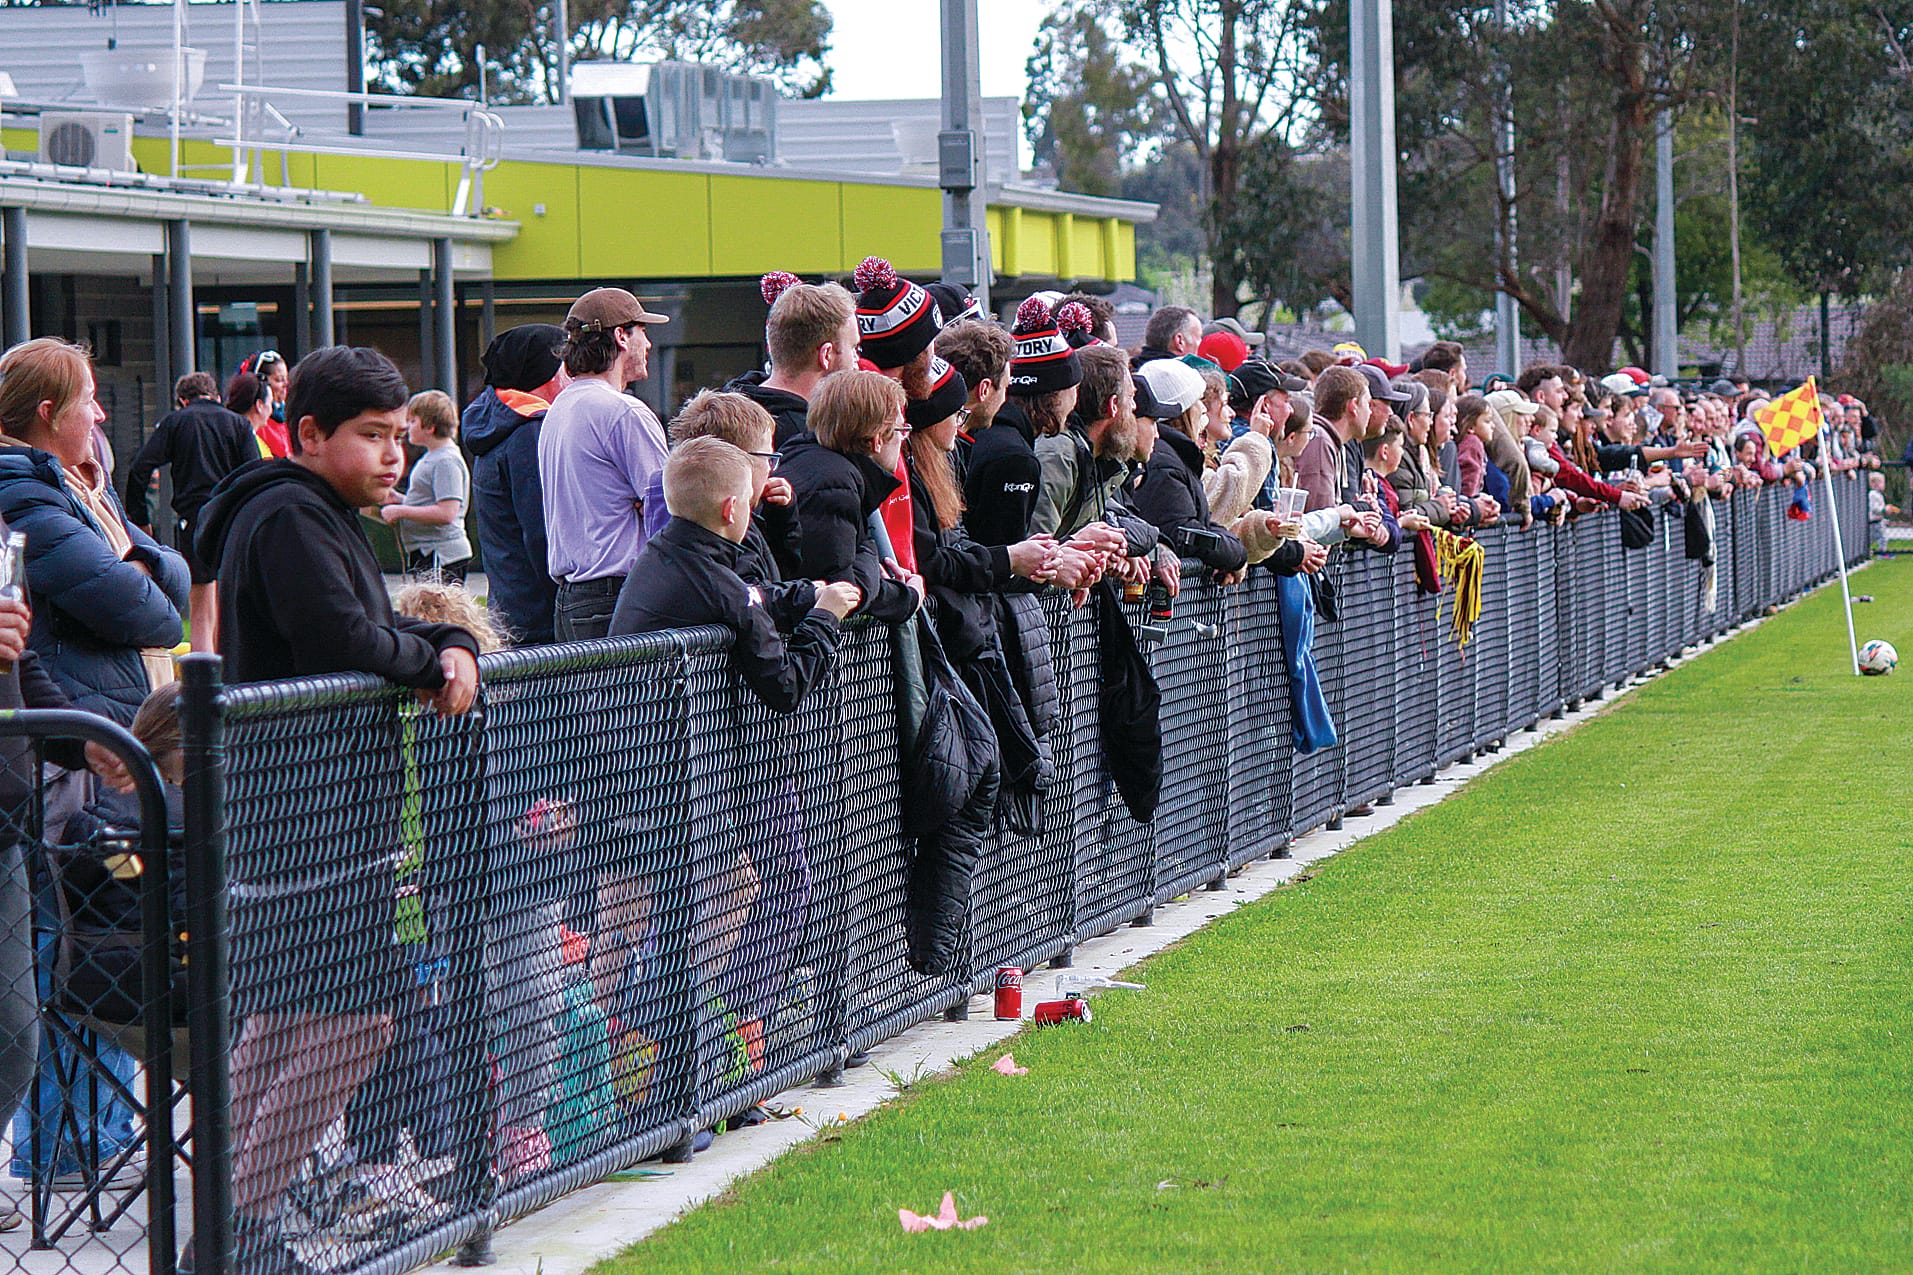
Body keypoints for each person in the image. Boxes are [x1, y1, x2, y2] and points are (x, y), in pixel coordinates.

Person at [193, 344, 479, 1271]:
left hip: (312, 813)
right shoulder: (288, 513)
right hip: (307, 818)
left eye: (399, 436)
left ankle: (225, 1227)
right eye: (372, 436)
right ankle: (238, 1224)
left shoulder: (308, 509)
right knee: (357, 1023)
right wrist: (432, 659)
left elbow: (375, 624)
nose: (393, 456)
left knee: (284, 1024)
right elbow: (340, 636)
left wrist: (445, 638)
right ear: (309, 433)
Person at [539, 287, 672, 640]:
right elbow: (667, 507)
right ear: (621, 336)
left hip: (571, 598)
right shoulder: (624, 411)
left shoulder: (559, 408)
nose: (649, 344)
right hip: (616, 595)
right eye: (643, 331)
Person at [122, 372, 258, 652]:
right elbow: (253, 473)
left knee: (201, 606)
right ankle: (230, 667)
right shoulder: (239, 424)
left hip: (195, 516)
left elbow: (140, 469)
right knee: (229, 599)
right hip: (232, 516)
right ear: (216, 396)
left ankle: (203, 669)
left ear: (182, 401)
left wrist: (141, 519)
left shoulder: (176, 422)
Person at [775, 370, 924, 622]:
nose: (903, 438)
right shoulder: (836, 484)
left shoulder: (804, 458)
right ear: (877, 439)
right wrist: (909, 596)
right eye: (901, 429)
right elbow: (843, 592)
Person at [463, 323, 565, 644]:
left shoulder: (500, 424)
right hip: (539, 618)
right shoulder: (528, 431)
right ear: (546, 373)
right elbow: (541, 530)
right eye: (566, 365)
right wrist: (567, 598)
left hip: (511, 607)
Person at [1129, 360, 1248, 577]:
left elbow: (1200, 524)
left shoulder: (1176, 456)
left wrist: (1228, 544)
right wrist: (1235, 553)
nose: (1203, 409)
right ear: (1183, 412)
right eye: (1197, 401)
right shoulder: (1164, 463)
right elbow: (1183, 533)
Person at [727, 273, 859, 447]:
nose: (857, 360)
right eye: (853, 348)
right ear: (826, 355)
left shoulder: (723, 417)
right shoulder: (808, 441)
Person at [380, 390, 473, 583]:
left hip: (441, 553)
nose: (407, 426)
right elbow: (430, 502)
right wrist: (401, 500)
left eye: (412, 421)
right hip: (426, 551)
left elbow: (446, 513)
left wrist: (401, 511)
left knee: (437, 603)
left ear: (430, 427)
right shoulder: (432, 457)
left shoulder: (446, 461)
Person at [228, 372, 283, 461]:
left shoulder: (226, 436)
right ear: (259, 405)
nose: (271, 410)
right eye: (270, 403)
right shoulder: (251, 443)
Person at [1134, 305, 1202, 367]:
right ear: (1180, 341)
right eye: (1199, 338)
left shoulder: (1132, 370)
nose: (1202, 343)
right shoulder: (1186, 374)